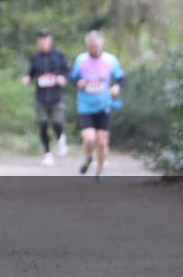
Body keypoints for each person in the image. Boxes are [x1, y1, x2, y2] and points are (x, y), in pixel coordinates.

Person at [70, 30, 125, 180]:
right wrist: (78, 83)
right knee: (89, 138)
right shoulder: (81, 60)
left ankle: (99, 171)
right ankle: (88, 158)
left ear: (101, 44)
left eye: (96, 46)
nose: (94, 49)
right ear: (88, 46)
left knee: (101, 140)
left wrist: (117, 88)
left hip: (104, 105)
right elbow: (73, 78)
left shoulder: (110, 60)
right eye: (91, 46)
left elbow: (121, 78)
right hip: (86, 106)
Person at [21, 28, 70, 166]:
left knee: (56, 123)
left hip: (56, 97)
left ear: (50, 40)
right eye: (41, 40)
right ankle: (47, 153)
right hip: (41, 97)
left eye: (46, 39)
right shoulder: (35, 57)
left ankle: (61, 138)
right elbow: (30, 72)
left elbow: (67, 71)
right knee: (42, 125)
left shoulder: (59, 56)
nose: (43, 42)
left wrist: (62, 78)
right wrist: (27, 78)